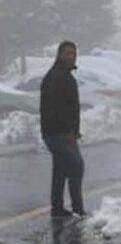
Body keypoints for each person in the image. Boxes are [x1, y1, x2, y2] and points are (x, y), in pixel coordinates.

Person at [40, 41, 85, 217]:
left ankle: (57, 207)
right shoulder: (56, 77)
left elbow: (71, 107)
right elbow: (53, 108)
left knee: (60, 168)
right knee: (76, 166)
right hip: (57, 133)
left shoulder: (65, 76)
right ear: (59, 55)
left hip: (64, 132)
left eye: (73, 54)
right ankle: (78, 208)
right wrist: (66, 131)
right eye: (67, 53)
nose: (70, 57)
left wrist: (74, 130)